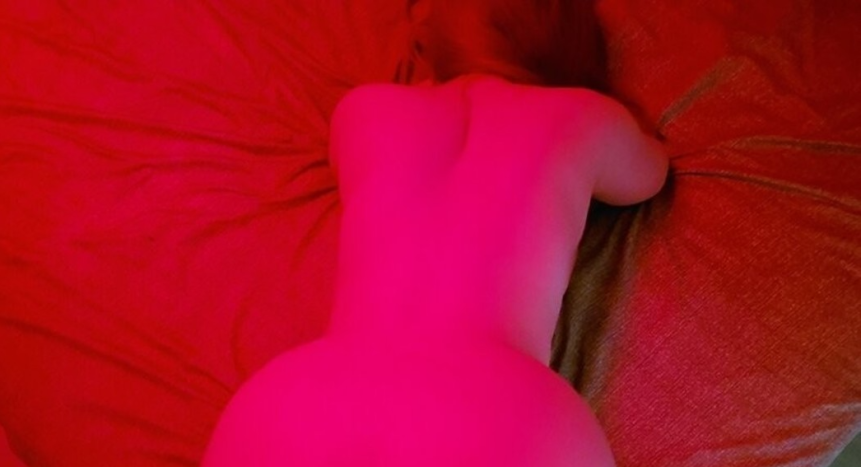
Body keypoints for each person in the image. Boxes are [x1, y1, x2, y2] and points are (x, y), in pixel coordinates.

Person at [201, 1, 667, 465]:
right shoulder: (582, 115)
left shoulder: (365, 108)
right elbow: (649, 175)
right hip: (499, 403)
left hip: (315, 390)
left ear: (433, 42)